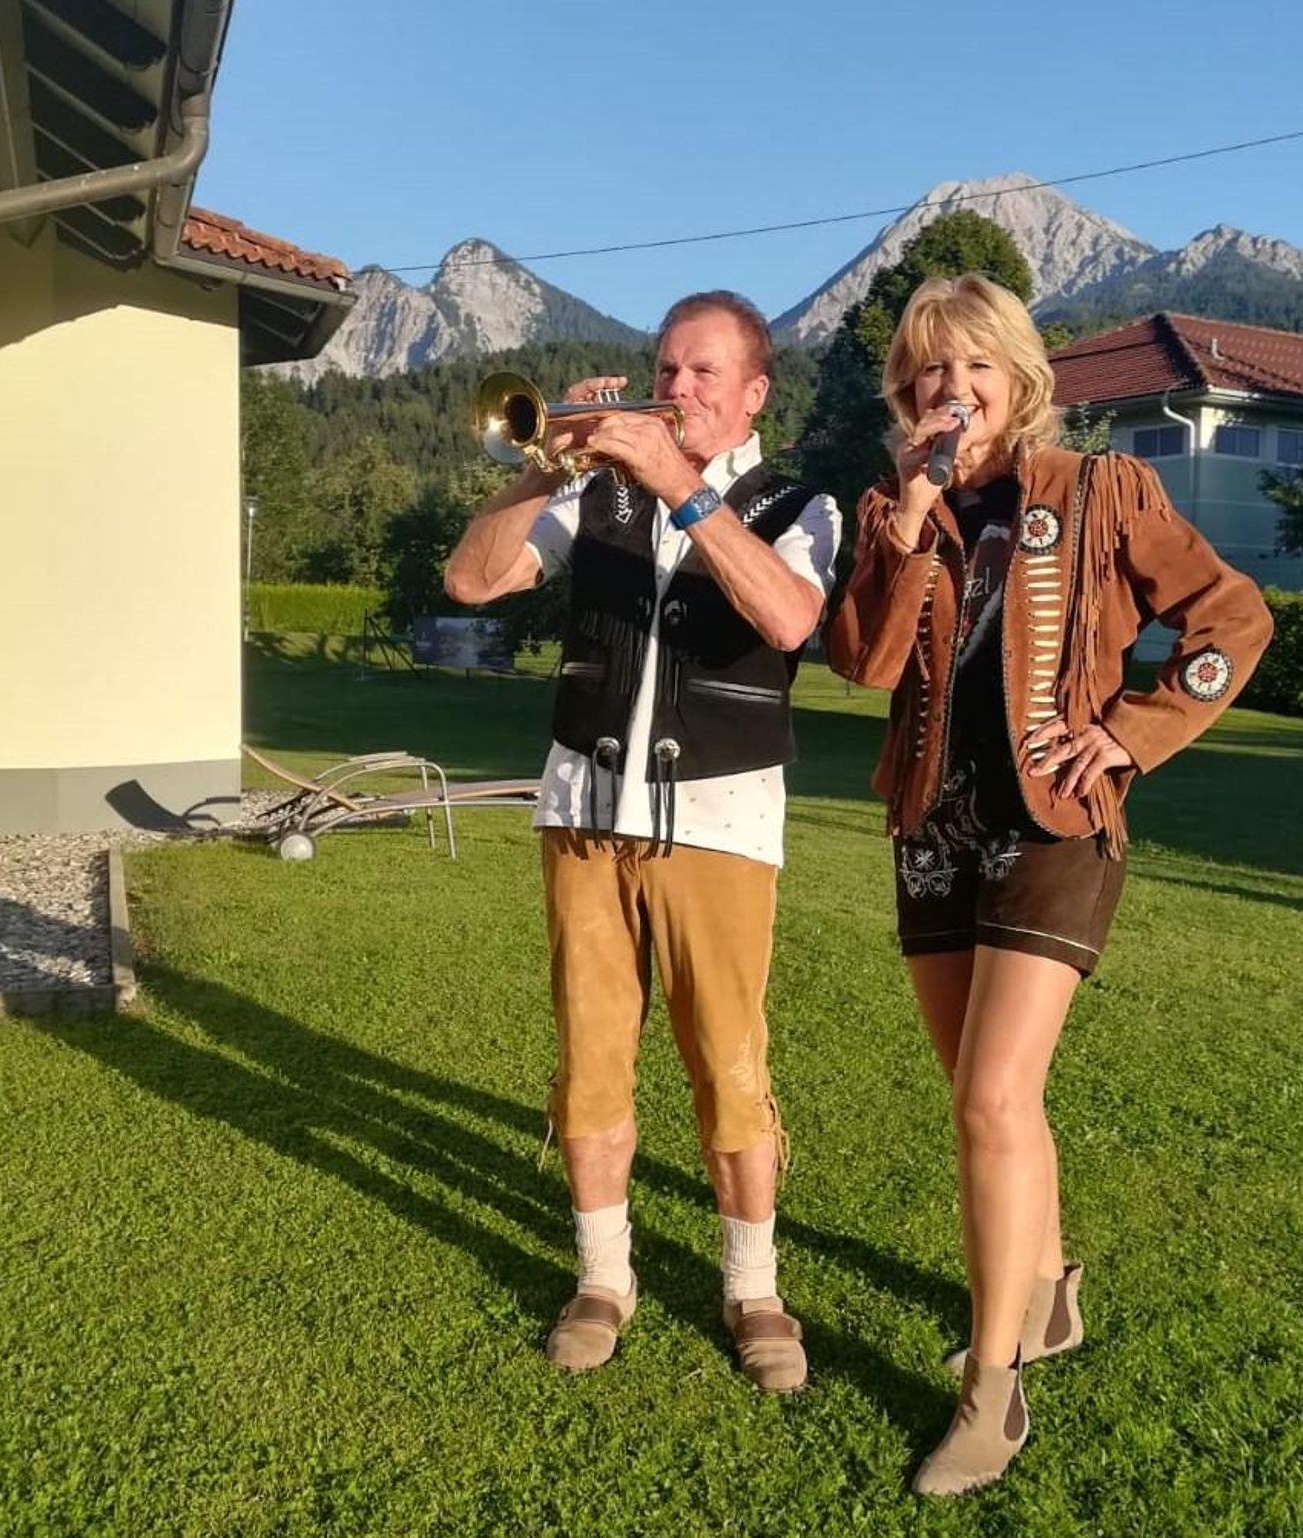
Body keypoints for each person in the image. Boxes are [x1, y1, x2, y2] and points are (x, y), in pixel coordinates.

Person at [827, 273, 1273, 1493]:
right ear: (904, 389)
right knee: (987, 1097)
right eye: (929, 367)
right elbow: (863, 662)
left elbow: (1231, 615)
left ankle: (991, 1386)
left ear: (1018, 378)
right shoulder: (896, 510)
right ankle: (1047, 1284)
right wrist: (906, 520)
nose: (951, 387)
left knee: (989, 1098)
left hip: (1053, 822)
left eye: (974, 364)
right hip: (932, 823)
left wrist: (1130, 731)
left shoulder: (1096, 490)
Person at [444, 292, 839, 1392]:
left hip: (718, 824)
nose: (678, 388)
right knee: (589, 1058)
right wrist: (543, 468)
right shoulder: (596, 491)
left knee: (728, 1062)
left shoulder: (799, 503)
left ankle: (753, 1286)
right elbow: (471, 580)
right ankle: (601, 1276)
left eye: (704, 372)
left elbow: (789, 618)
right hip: (583, 810)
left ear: (754, 393)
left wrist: (682, 487)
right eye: (667, 368)